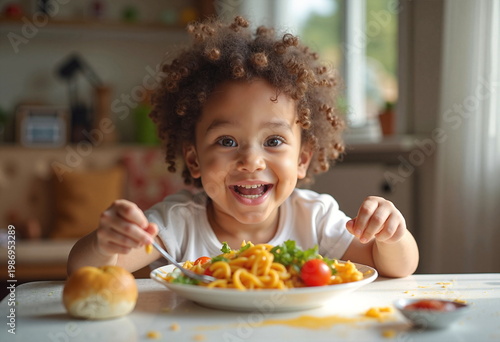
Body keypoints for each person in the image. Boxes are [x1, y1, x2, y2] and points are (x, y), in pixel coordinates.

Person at [67, 16, 418, 278]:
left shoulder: (315, 217)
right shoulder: (177, 224)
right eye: (226, 141)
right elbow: (85, 269)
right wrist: (105, 243)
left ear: (303, 159)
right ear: (194, 160)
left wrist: (392, 236)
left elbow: (397, 269)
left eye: (274, 141)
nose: (251, 160)